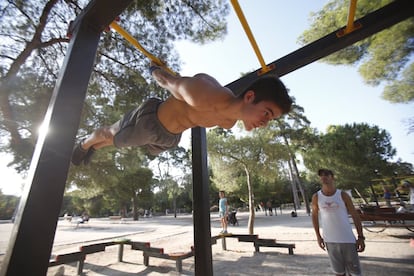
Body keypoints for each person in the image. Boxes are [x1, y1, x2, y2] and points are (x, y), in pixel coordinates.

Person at [71, 62, 292, 165]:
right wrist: (154, 70)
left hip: (169, 138)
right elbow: (168, 81)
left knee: (117, 142)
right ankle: (85, 143)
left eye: (270, 119)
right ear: (250, 97)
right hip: (149, 122)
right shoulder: (202, 94)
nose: (265, 122)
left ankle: (92, 148)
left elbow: (235, 116)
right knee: (111, 134)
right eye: (267, 113)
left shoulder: (228, 122)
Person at [312, 169, 365, 276]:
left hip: (347, 240)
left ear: (333, 177)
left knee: (355, 273)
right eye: (321, 175)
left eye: (326, 175)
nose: (323, 177)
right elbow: (314, 216)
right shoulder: (316, 197)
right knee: (339, 273)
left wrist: (361, 237)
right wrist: (318, 236)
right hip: (330, 241)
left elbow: (355, 216)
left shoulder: (343, 195)